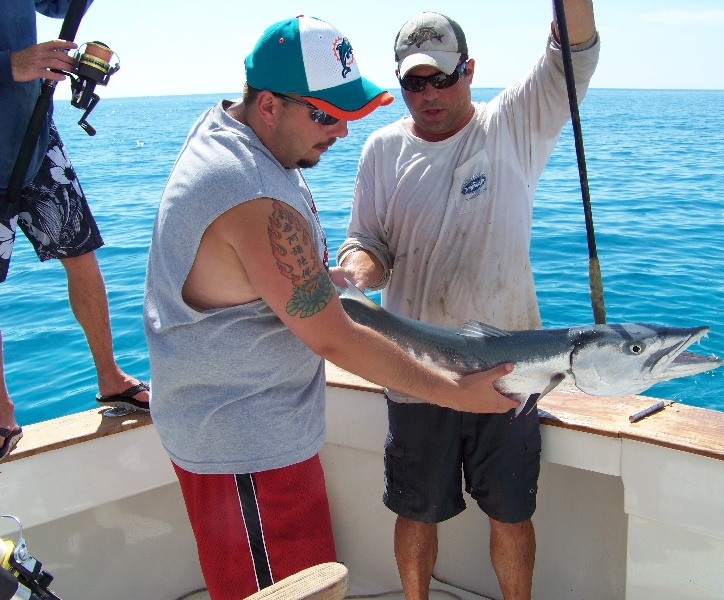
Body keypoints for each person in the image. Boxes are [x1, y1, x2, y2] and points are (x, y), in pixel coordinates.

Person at [142, 15, 518, 600]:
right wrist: (455, 392)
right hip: (245, 451)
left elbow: (256, 273)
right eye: (325, 114)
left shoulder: (235, 134)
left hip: (258, 436)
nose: (341, 132)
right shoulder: (249, 189)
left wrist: (312, 275)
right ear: (267, 104)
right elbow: (334, 337)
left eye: (347, 113)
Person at [336, 4, 599, 598]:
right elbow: (368, 243)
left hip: (511, 371)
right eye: (413, 81)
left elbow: (573, 54)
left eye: (442, 78)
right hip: (416, 369)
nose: (428, 93)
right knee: (416, 511)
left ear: (470, 71)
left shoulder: (513, 124)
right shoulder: (381, 149)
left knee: (510, 511)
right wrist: (353, 272)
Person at [0, 0, 149, 462]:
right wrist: (12, 65)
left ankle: (111, 378)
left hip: (36, 138)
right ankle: (1, 410)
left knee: (82, 256)